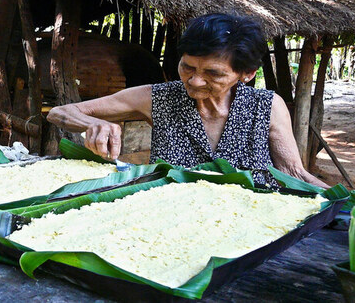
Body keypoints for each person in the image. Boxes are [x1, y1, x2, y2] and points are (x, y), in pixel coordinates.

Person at [47, 13, 328, 188]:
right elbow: (59, 112)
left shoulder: (267, 106)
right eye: (187, 68)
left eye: (212, 73)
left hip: (252, 224)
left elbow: (293, 172)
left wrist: (345, 202)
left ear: (246, 74)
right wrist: (91, 122)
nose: (194, 81)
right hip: (173, 222)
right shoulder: (157, 98)